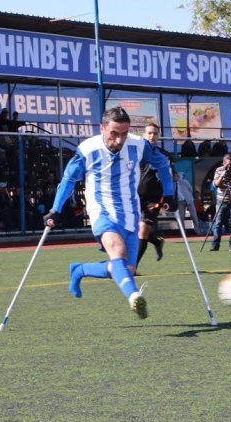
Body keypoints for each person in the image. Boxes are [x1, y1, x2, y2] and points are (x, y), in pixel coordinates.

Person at [43, 107, 176, 319]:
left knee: (125, 270)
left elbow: (162, 163)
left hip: (131, 213)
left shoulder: (138, 145)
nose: (119, 139)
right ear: (102, 128)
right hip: (101, 210)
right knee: (118, 252)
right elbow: (68, 180)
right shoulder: (87, 150)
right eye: (114, 133)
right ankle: (134, 298)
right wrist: (55, 209)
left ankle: (79, 270)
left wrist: (169, 193)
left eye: (124, 133)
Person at [135, 123, 169, 270]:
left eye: (155, 133)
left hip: (154, 199)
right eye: (149, 133)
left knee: (143, 229)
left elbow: (168, 175)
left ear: (158, 136)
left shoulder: (163, 155)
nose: (152, 136)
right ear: (143, 135)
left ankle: (133, 267)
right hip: (135, 196)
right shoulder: (136, 152)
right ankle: (156, 242)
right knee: (133, 229)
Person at [209, 154, 231, 252]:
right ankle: (215, 244)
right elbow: (216, 185)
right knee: (218, 223)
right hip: (221, 199)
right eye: (228, 164)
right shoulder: (219, 170)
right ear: (224, 163)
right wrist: (222, 176)